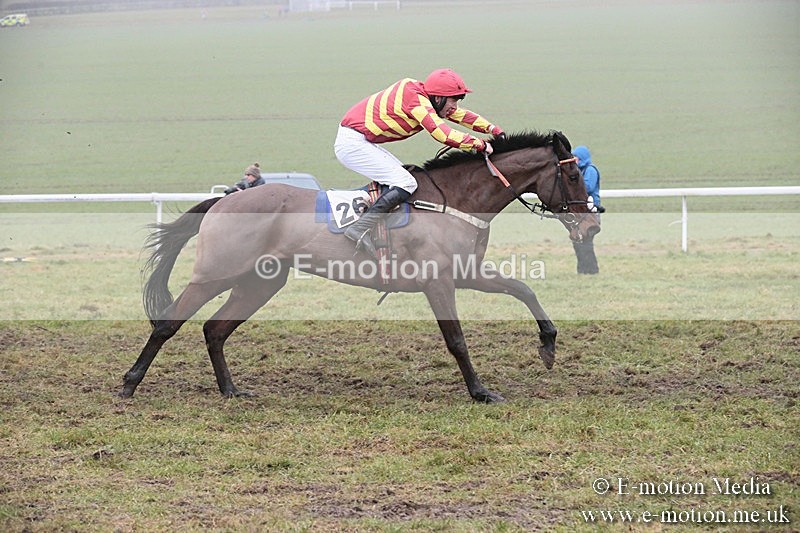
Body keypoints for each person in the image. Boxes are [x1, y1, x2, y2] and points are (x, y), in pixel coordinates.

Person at [334, 68, 504, 258]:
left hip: (361, 140)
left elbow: (460, 116)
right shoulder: (416, 101)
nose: (455, 106)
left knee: (407, 180)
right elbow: (442, 134)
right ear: (438, 98)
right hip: (352, 144)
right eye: (453, 100)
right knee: (406, 183)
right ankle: (359, 228)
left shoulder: (425, 97)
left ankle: (387, 234)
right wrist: (480, 144)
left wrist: (494, 130)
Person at [572, 145, 603, 275]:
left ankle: (591, 270)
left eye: (576, 157)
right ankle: (583, 270)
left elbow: (588, 187)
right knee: (578, 241)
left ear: (582, 158)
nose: (574, 160)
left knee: (586, 241)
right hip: (581, 213)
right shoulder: (578, 171)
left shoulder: (590, 170)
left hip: (590, 213)